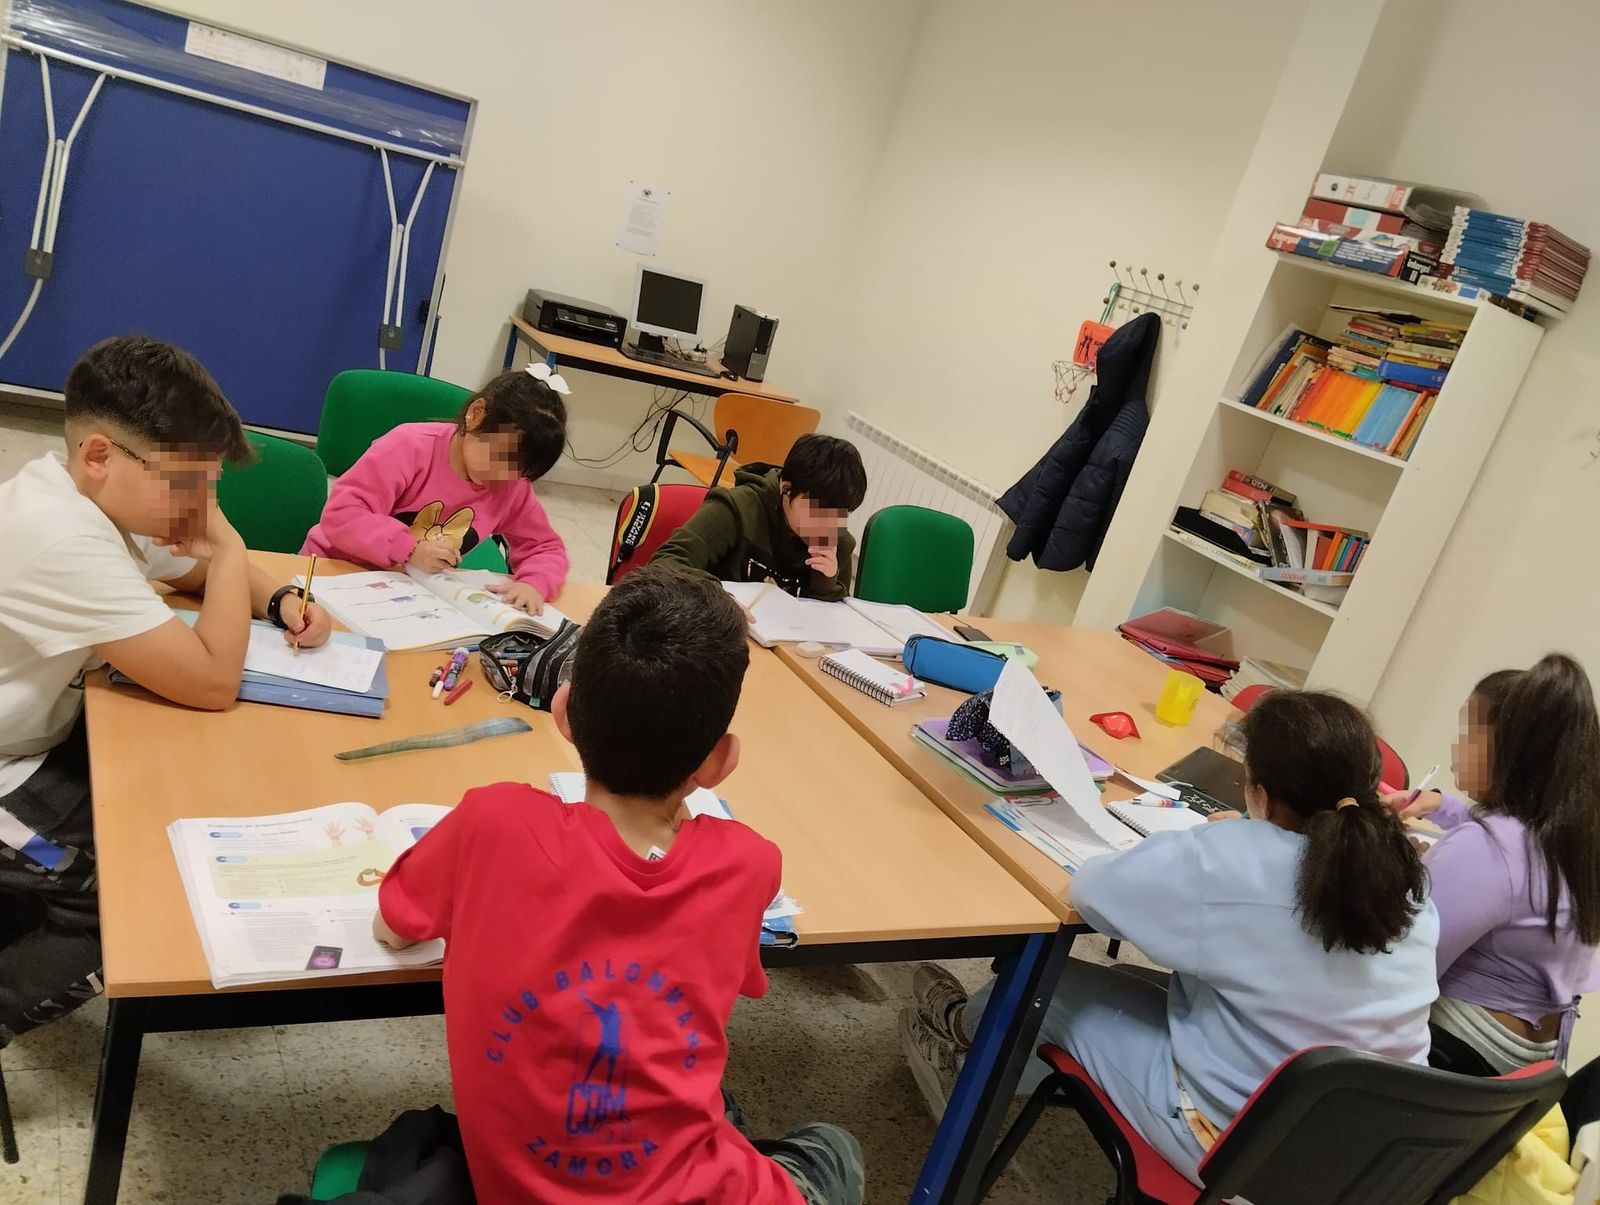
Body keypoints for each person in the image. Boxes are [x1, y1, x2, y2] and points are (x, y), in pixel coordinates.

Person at [374, 567, 864, 1204]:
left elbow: (393, 922)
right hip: (700, 1188)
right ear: (718, 764)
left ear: (564, 713)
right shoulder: (747, 865)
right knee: (833, 1147)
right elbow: (719, 982)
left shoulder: (492, 822)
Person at [900, 691, 1439, 1185]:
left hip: (1243, 1154)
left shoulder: (1231, 858)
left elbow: (1091, 892)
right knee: (1130, 982)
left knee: (1050, 985)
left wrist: (1216, 836)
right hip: (1373, 1163)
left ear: (1260, 794)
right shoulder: (1403, 879)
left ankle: (958, 1050)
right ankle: (996, 1062)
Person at [0, 335, 332, 1048]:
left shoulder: (86, 494)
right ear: (98, 455)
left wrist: (276, 599)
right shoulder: (61, 537)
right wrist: (234, 546)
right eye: (189, 485)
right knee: (136, 900)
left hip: (41, 732)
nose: (202, 506)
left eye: (211, 487)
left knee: (177, 798)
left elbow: (181, 572)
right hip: (8, 769)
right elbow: (212, 679)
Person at [1389, 654, 1600, 1075]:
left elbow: (1396, 966)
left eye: (1469, 733)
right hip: (1528, 1064)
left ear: (1510, 748)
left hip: (1454, 1056)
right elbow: (1514, 872)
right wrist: (1444, 807)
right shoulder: (1575, 838)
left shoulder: (1487, 849)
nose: (1457, 746)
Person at [303, 363, 570, 613]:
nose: (506, 476)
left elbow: (544, 547)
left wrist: (534, 582)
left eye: (522, 470)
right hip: (333, 570)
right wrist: (408, 548)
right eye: (501, 456)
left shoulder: (512, 485)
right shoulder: (409, 446)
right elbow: (342, 515)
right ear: (476, 414)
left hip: (407, 594)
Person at [650, 433, 867, 600]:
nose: (827, 524)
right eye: (817, 511)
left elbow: (832, 625)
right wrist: (718, 597)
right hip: (717, 634)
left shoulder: (837, 540)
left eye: (840, 513)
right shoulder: (739, 508)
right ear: (786, 488)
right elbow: (665, 563)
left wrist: (827, 582)